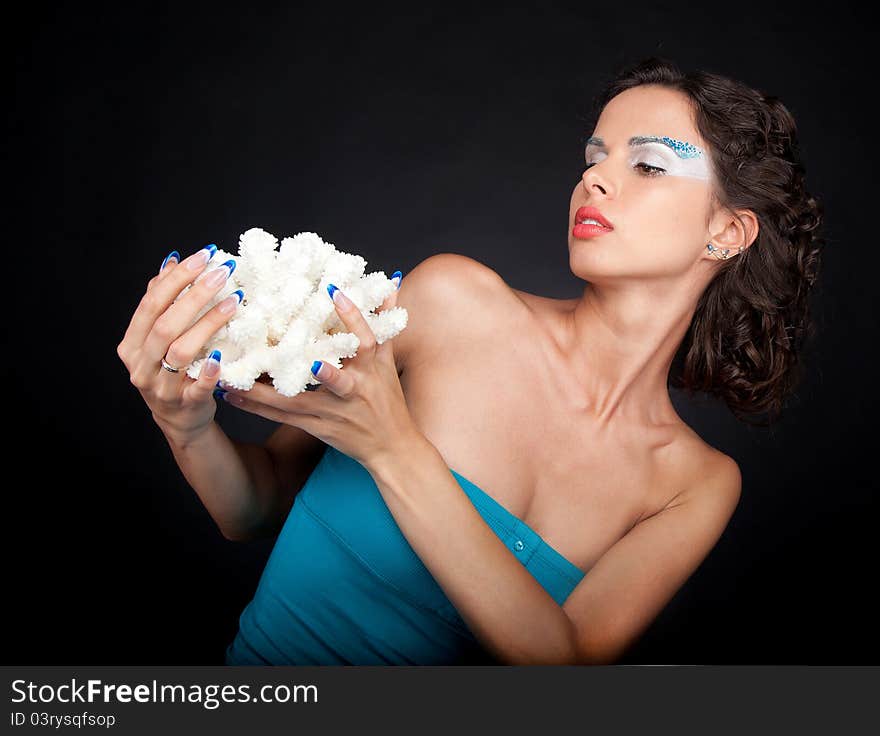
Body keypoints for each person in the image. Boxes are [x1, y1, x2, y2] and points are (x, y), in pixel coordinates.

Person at [117, 56, 823, 665]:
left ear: (727, 232)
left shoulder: (693, 483)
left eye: (647, 164)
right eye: (593, 157)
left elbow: (559, 670)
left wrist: (393, 448)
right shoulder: (452, 300)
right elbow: (256, 507)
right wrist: (188, 428)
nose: (595, 181)